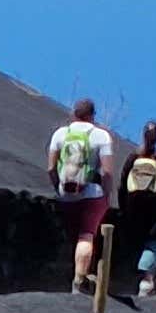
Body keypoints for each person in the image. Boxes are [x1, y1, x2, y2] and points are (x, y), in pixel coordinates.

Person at [46, 100, 119, 294]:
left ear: (74, 113)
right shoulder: (101, 136)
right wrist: (106, 196)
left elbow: (51, 168)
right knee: (86, 235)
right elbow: (107, 172)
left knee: (73, 235)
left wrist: (58, 188)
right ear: (92, 115)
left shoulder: (60, 134)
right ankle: (79, 280)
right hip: (91, 194)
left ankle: (76, 275)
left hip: (66, 193)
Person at [111, 121, 156, 296]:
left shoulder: (134, 156)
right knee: (154, 244)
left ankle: (129, 280)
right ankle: (147, 282)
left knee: (137, 242)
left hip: (134, 210)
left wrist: (124, 207)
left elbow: (122, 184)